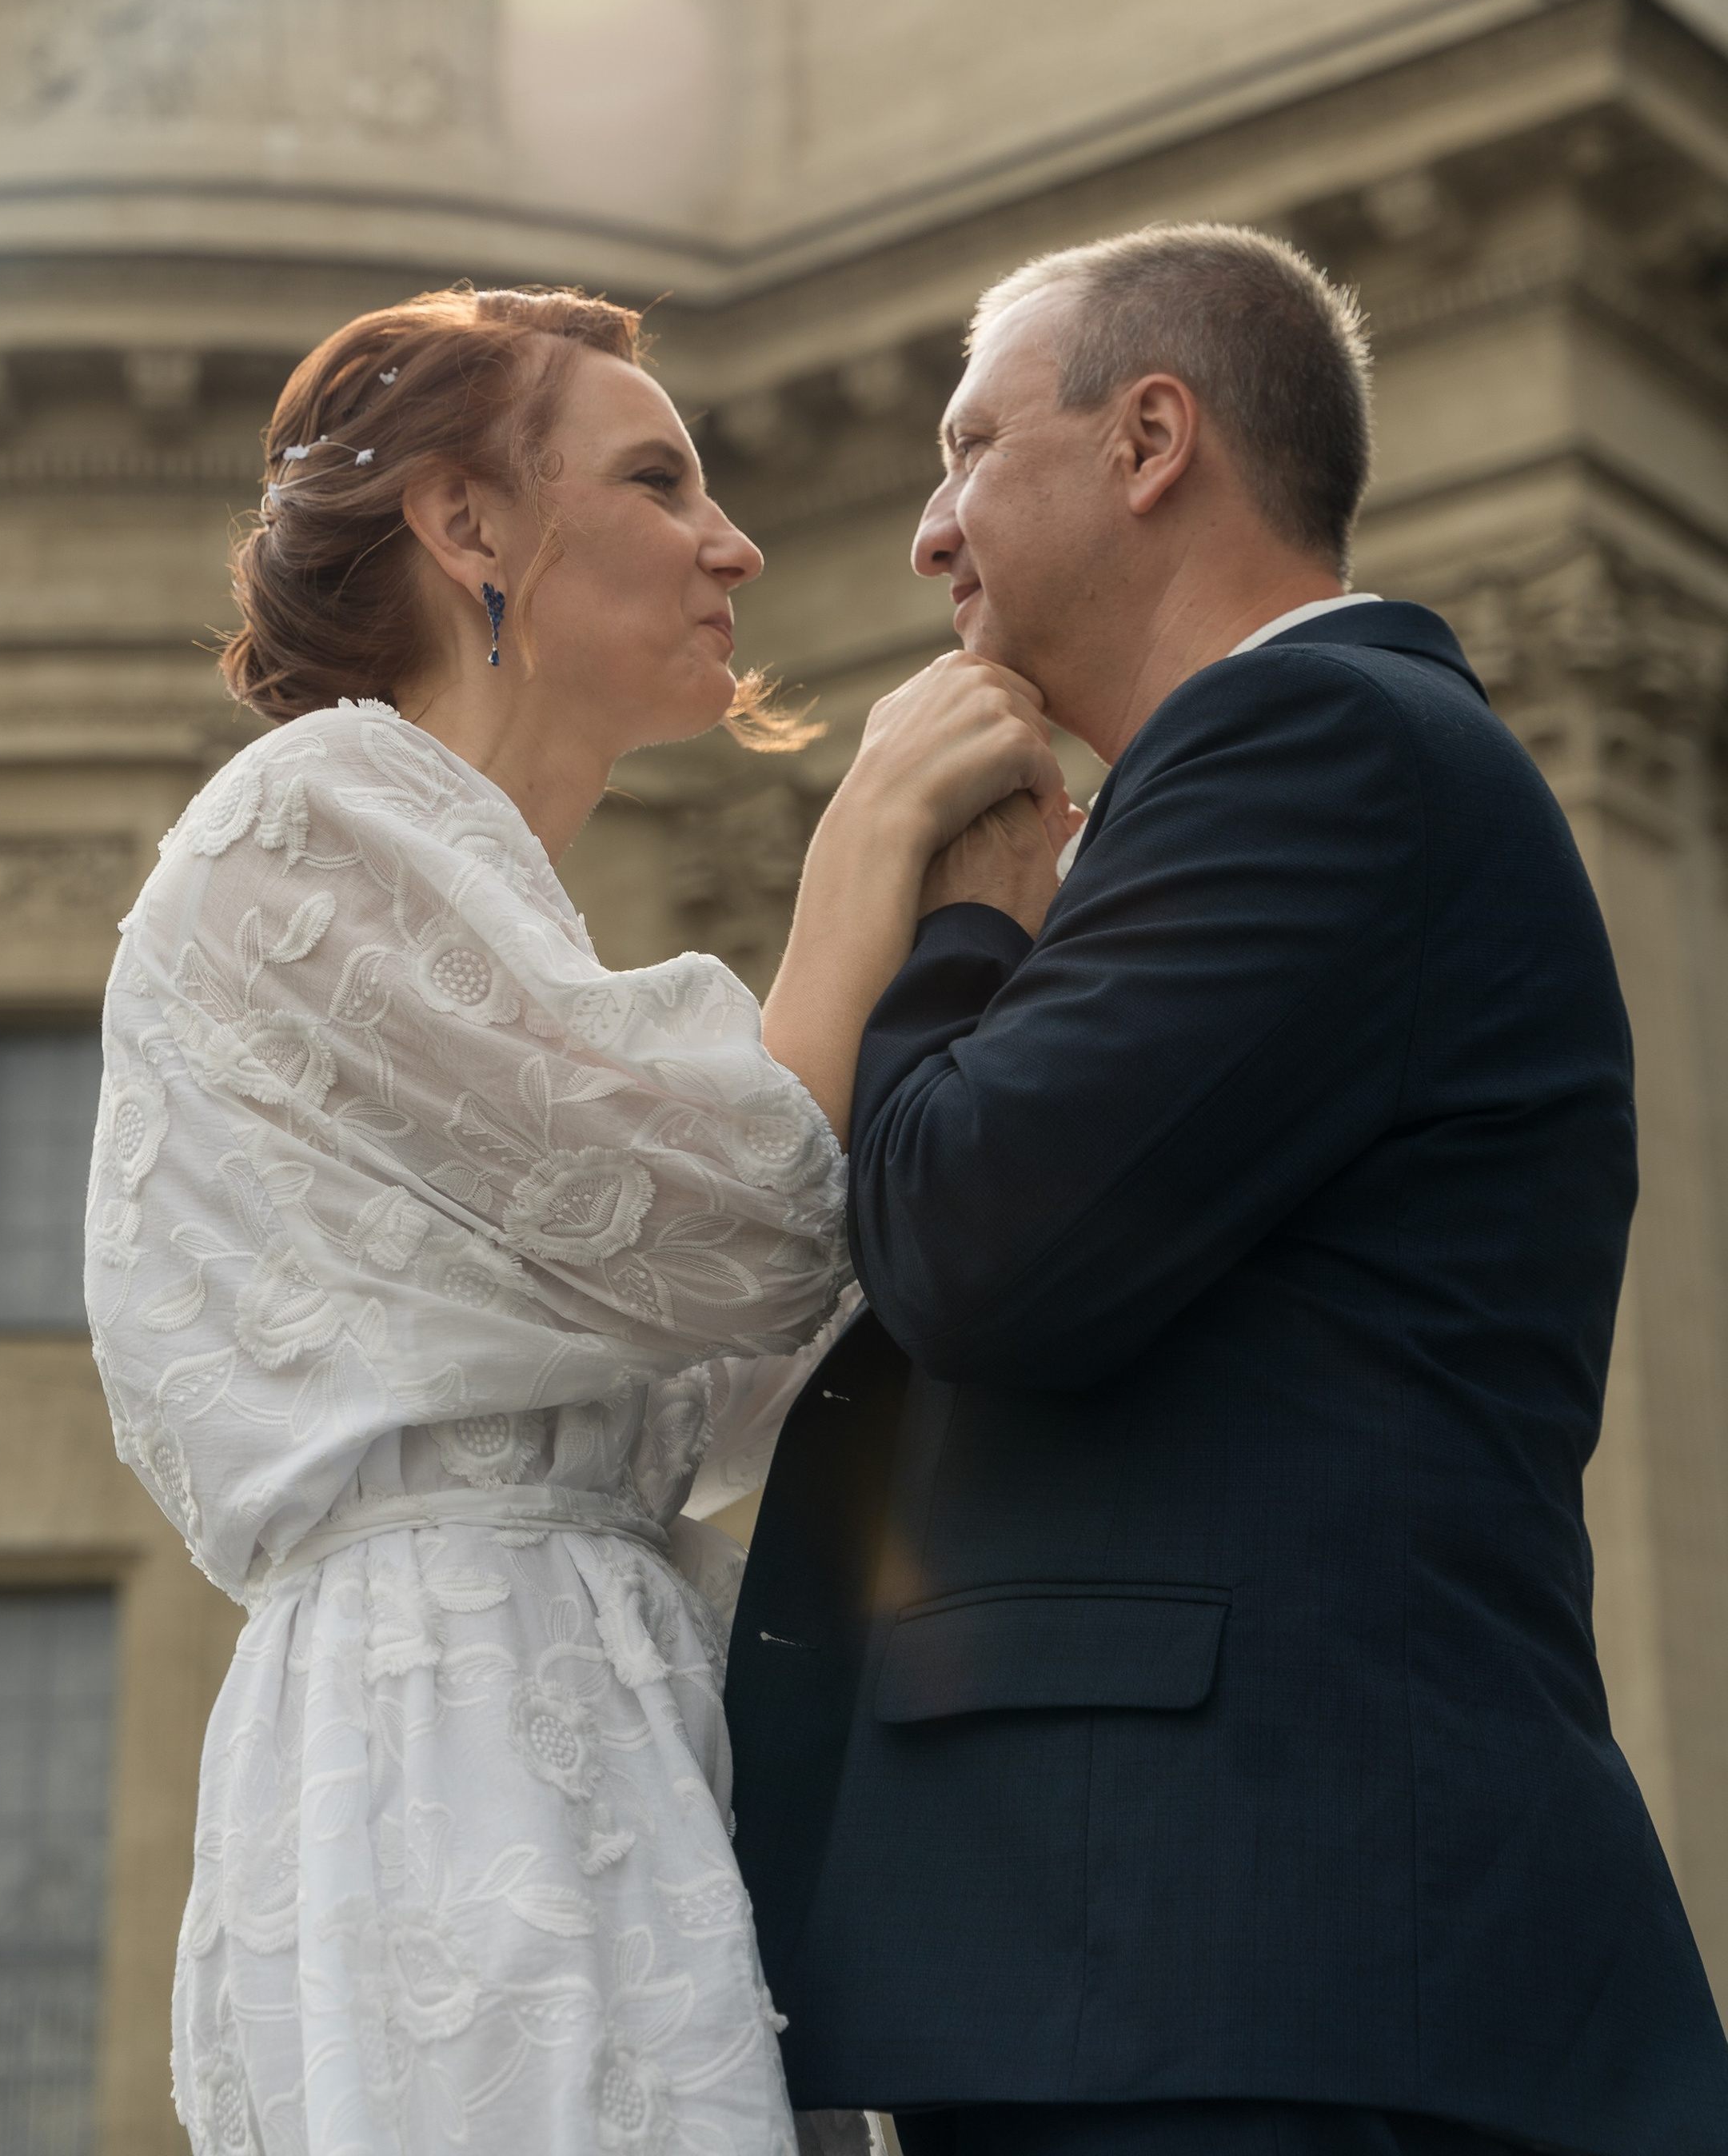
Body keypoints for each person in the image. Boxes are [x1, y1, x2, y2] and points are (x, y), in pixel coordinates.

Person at [728, 224, 1728, 2156]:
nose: (927, 530)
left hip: (1247, 1970)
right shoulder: (1260, 785)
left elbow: (970, 1242)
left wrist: (951, 928)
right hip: (1157, 1970)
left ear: (1149, 437)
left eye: (964, 448)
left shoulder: (1318, 740)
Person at [84, 284, 1051, 2156]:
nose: (734, 541)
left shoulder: (463, 886)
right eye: (656, 477)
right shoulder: (312, 819)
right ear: (466, 529)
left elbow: (726, 1365)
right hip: (455, 1721)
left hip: (583, 1688)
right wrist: (868, 861)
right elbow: (747, 1215)